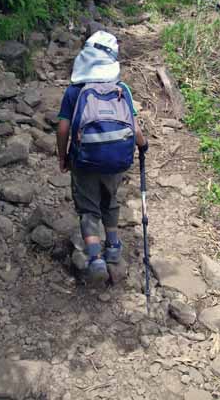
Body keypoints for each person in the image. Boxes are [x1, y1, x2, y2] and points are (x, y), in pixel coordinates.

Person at [56, 30, 146, 283]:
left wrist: (62, 156)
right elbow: (136, 129)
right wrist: (144, 146)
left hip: (83, 159)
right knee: (111, 199)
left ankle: (95, 257)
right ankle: (114, 246)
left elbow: (63, 128)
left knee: (88, 206)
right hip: (116, 160)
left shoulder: (75, 91)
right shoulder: (122, 89)